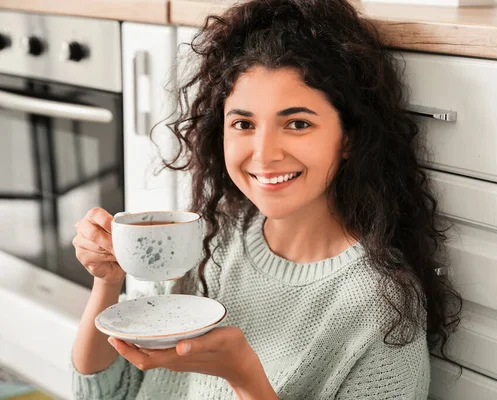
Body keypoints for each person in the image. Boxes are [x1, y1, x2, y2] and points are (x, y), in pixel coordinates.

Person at [70, 0, 462, 398]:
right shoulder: (210, 245)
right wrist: (108, 283)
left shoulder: (381, 306)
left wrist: (244, 377)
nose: (263, 153)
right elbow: (107, 392)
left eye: (297, 123)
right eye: (243, 123)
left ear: (349, 137)